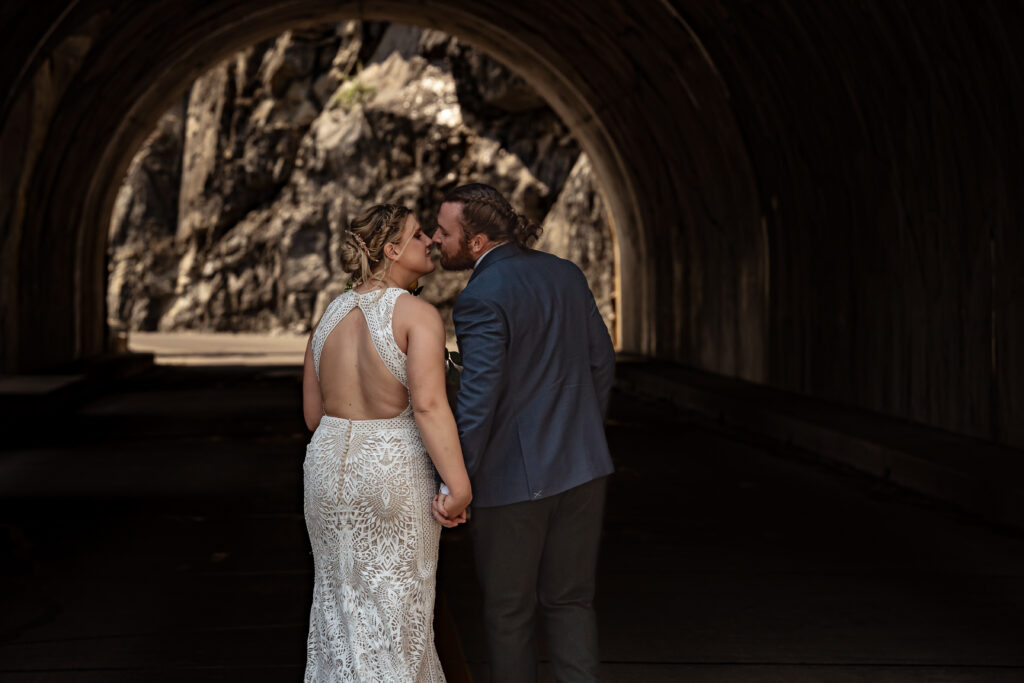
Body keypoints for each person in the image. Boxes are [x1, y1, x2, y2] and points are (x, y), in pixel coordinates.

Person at [431, 183, 616, 682]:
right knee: (572, 601)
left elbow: (478, 401)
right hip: (585, 469)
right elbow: (602, 363)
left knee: (510, 613)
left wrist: (458, 479)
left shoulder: (480, 297)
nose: (434, 240)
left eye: (444, 232)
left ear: (475, 242)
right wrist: (581, 437)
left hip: (513, 483)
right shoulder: (566, 273)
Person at [301, 204, 471, 681]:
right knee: (398, 618)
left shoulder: (329, 316)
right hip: (390, 473)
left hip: (327, 472)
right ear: (392, 251)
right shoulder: (417, 314)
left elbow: (315, 415)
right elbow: (429, 406)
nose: (430, 242)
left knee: (339, 610)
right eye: (419, 236)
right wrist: (457, 486)